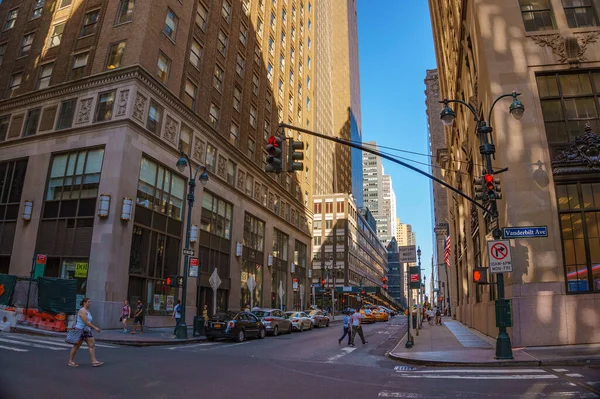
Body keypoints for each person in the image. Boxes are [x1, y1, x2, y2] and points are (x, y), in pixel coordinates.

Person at [68, 298, 103, 368]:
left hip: (87, 330)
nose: (90, 303)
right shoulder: (82, 311)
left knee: (92, 345)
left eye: (90, 302)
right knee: (76, 346)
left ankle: (94, 361)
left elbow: (88, 322)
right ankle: (70, 361)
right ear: (84, 303)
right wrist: (95, 328)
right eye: (88, 302)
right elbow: (86, 322)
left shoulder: (88, 311)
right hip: (80, 330)